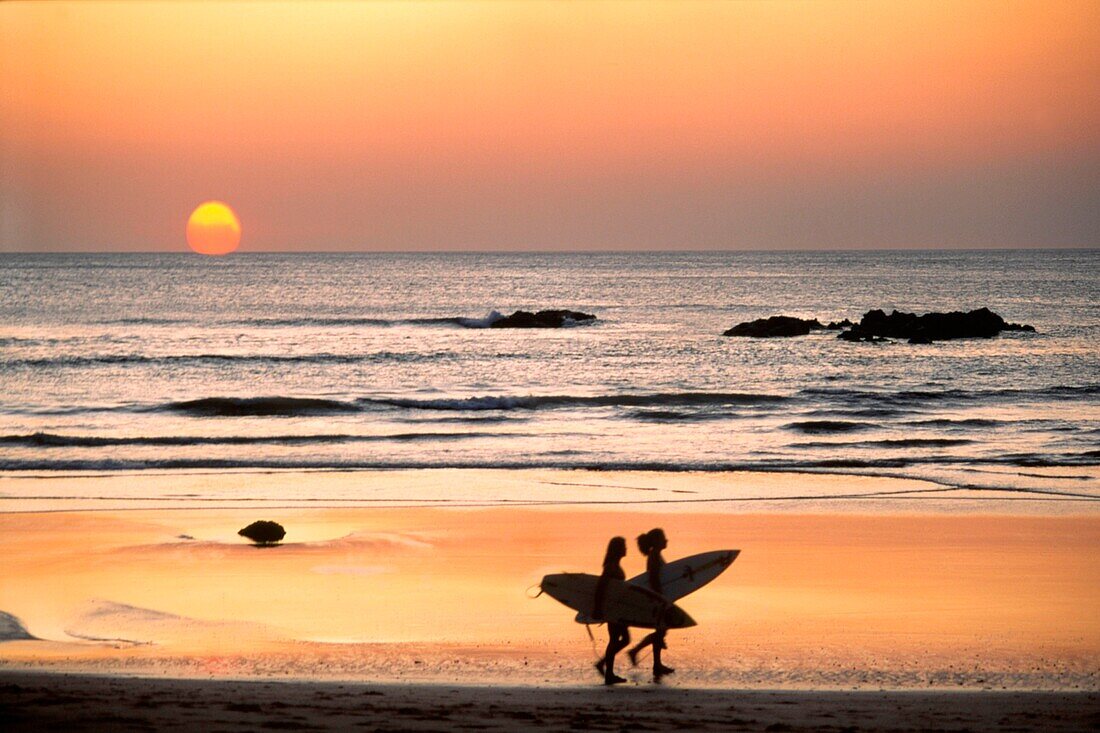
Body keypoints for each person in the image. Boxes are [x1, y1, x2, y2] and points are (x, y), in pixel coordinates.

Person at [627, 527, 675, 680]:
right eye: (663, 538)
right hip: (657, 598)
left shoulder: (656, 555)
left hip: (658, 597)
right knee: (661, 631)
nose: (666, 540)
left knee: (661, 631)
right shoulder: (654, 556)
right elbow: (654, 578)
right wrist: (660, 598)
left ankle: (657, 665)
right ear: (656, 541)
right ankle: (635, 651)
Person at [592, 536, 630, 685]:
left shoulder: (615, 565)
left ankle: (604, 667)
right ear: (617, 550)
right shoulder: (610, 567)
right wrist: (598, 608)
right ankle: (607, 672)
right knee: (616, 640)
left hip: (618, 609)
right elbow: (601, 587)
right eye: (623, 546)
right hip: (613, 610)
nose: (626, 549)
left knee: (621, 639)